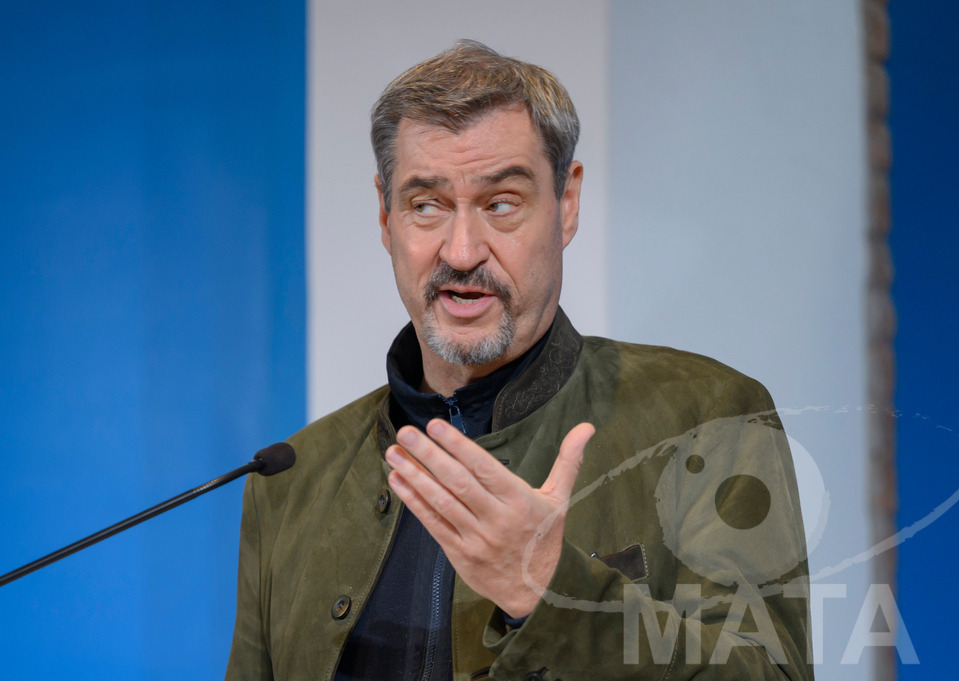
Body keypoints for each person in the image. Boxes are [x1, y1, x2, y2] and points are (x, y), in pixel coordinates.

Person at [226, 40, 813, 681]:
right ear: (385, 215)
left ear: (566, 204)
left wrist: (552, 591)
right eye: (427, 204)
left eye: (501, 202)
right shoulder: (290, 480)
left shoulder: (707, 415)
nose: (462, 248)